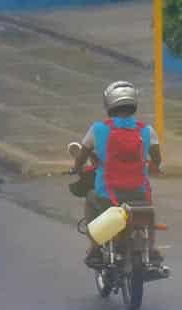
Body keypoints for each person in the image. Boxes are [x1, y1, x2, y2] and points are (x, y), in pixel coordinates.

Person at [70, 81, 163, 269]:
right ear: (133, 103)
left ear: (109, 104)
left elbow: (81, 158)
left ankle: (95, 248)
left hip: (108, 194)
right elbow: (157, 159)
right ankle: (150, 249)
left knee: (90, 198)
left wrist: (77, 168)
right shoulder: (147, 131)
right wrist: (153, 166)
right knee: (145, 216)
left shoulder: (97, 129)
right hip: (140, 194)